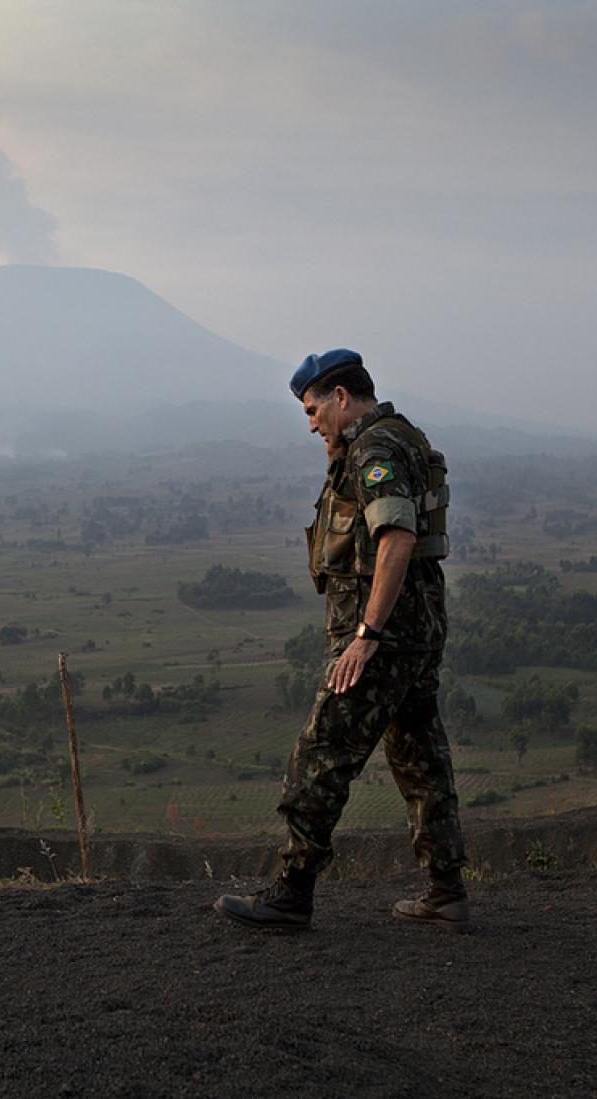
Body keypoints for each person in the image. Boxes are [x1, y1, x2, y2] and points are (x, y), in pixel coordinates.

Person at [215, 348, 470, 932]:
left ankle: (291, 892)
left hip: (383, 638)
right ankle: (446, 890)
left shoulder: (375, 449)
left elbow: (398, 537)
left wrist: (366, 635)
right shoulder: (399, 436)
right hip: (419, 632)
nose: (311, 424)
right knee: (420, 758)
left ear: (339, 397)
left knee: (322, 754)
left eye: (313, 411)